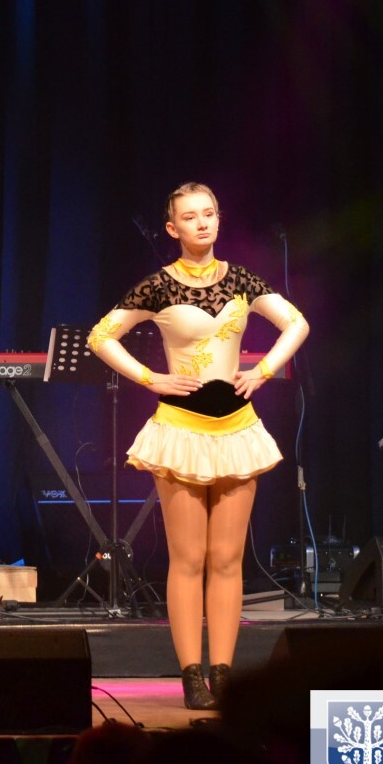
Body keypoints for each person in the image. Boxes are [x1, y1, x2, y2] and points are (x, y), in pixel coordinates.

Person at [88, 183, 308, 711]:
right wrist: (151, 378)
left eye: (209, 213)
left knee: (227, 560)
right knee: (188, 559)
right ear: (173, 228)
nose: (202, 222)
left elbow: (296, 323)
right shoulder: (157, 286)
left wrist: (263, 370)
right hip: (181, 431)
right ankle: (191, 674)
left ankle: (224, 673)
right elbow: (101, 336)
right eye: (190, 216)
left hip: (236, 431)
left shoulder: (242, 279)